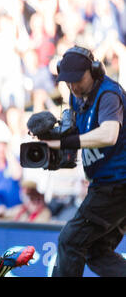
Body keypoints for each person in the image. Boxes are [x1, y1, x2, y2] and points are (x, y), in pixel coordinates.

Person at [40, 46, 126, 277]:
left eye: (77, 80)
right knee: (96, 251)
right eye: (67, 81)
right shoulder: (75, 96)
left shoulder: (109, 94)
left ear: (95, 71)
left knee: (70, 241)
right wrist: (53, 136)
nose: (73, 86)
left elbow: (109, 135)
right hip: (107, 184)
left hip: (116, 184)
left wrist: (66, 143)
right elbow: (76, 134)